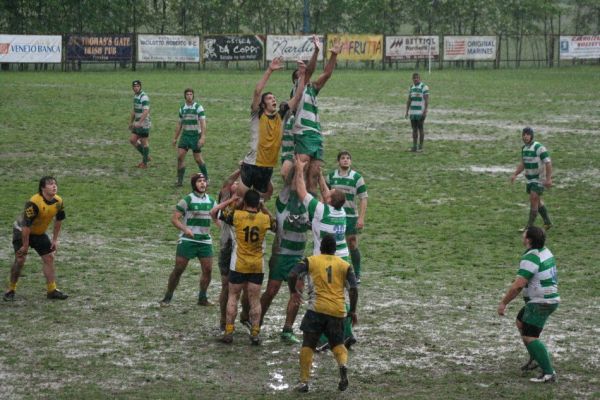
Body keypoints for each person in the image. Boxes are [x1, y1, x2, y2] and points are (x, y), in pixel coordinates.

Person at [288, 234, 359, 392]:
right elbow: (353, 289)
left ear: (321, 248)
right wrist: (352, 310)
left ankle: (304, 382)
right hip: (337, 311)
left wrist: (293, 291)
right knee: (338, 344)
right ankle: (342, 365)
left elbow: (292, 274)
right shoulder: (345, 265)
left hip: (316, 310)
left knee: (308, 344)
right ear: (335, 250)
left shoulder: (311, 260)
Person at [212, 189, 276, 345]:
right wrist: (263, 207)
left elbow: (222, 213)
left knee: (233, 296)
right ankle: (255, 333)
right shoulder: (263, 219)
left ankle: (228, 331)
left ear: (245, 202)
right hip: (256, 265)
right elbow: (275, 224)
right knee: (255, 300)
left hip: (239, 264)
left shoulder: (237, 216)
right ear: (258, 203)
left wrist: (238, 202)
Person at [497, 226, 560, 383]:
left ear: (528, 239)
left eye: (524, 234)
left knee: (529, 336)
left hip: (541, 302)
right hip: (546, 299)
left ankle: (549, 373)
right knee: (521, 322)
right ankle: (536, 357)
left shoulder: (531, 258)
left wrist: (503, 303)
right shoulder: (545, 251)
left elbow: (518, 286)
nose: (522, 235)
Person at [238, 58, 306, 200]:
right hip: (251, 163)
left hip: (267, 167)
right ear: (263, 104)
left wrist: (303, 75)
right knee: (240, 197)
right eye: (269, 98)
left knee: (258, 200)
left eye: (274, 98)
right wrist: (269, 70)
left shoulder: (281, 115)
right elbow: (257, 92)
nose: (273, 99)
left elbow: (298, 96)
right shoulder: (257, 114)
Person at [3, 176, 68, 301]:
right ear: (43, 188)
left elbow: (59, 220)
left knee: (49, 257)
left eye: (55, 184)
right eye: (50, 184)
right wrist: (25, 245)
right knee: (20, 260)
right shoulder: (34, 203)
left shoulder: (58, 201)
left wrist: (54, 240)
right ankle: (11, 290)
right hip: (21, 231)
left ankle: (52, 290)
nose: (54, 186)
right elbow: (26, 226)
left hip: (38, 233)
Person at [292, 36, 343, 195]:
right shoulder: (296, 90)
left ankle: (312, 212)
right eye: (300, 73)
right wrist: (316, 50)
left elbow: (326, 74)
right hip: (304, 133)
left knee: (314, 175)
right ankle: (296, 209)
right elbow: (310, 71)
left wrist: (334, 55)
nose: (304, 74)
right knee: (301, 174)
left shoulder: (312, 89)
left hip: (316, 135)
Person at [259, 184, 309, 344]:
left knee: (297, 293)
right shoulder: (282, 205)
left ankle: (287, 329)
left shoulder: (308, 205)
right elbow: (288, 182)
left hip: (298, 257)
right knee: (271, 291)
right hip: (281, 255)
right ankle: (256, 322)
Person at [160, 173, 216, 306]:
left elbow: (216, 218)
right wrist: (185, 229)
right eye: (199, 181)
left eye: (204, 181)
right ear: (194, 184)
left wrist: (225, 228)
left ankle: (202, 298)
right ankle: (168, 296)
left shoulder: (212, 201)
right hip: (188, 240)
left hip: (205, 241)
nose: (202, 183)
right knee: (179, 269)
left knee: (208, 270)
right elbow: (174, 219)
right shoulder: (187, 200)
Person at [327, 150, 368, 283]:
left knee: (352, 243)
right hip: (334, 215)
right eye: (343, 158)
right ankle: (333, 271)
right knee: (333, 243)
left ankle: (357, 274)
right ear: (338, 161)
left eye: (348, 158)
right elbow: (325, 195)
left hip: (350, 216)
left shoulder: (357, 178)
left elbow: (363, 199)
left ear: (350, 161)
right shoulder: (331, 177)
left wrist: (361, 218)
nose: (345, 160)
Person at [511, 127, 553, 231]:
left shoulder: (539, 147)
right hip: (529, 179)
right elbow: (523, 164)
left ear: (531, 136)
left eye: (527, 134)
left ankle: (529, 227)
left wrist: (548, 179)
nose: (525, 136)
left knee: (533, 199)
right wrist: (515, 174)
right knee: (537, 201)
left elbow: (548, 163)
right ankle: (547, 222)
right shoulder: (524, 149)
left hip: (539, 179)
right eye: (524, 134)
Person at [173, 88, 208, 187]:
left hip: (195, 136)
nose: (189, 96)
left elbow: (203, 123)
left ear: (193, 96)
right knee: (180, 157)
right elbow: (179, 124)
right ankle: (179, 180)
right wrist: (175, 138)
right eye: (187, 94)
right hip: (185, 136)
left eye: (191, 94)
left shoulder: (198, 107)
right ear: (185, 96)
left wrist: (202, 137)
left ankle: (206, 178)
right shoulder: (182, 108)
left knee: (198, 159)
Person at [128, 80, 152, 168]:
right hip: (137, 122)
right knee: (132, 140)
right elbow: (134, 110)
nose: (136, 88)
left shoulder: (144, 97)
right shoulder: (135, 96)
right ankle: (146, 156)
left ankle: (144, 163)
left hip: (144, 123)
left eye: (138, 86)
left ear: (140, 87)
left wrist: (140, 122)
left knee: (144, 142)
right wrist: (131, 122)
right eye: (134, 86)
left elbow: (146, 111)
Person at [404, 72, 429, 152]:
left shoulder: (424, 87)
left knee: (420, 128)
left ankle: (420, 147)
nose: (416, 79)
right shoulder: (411, 87)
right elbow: (409, 100)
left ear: (419, 78)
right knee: (414, 129)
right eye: (414, 78)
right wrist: (407, 111)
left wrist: (425, 110)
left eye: (417, 78)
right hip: (413, 112)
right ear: (412, 79)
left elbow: (426, 100)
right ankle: (414, 146)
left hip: (420, 112)